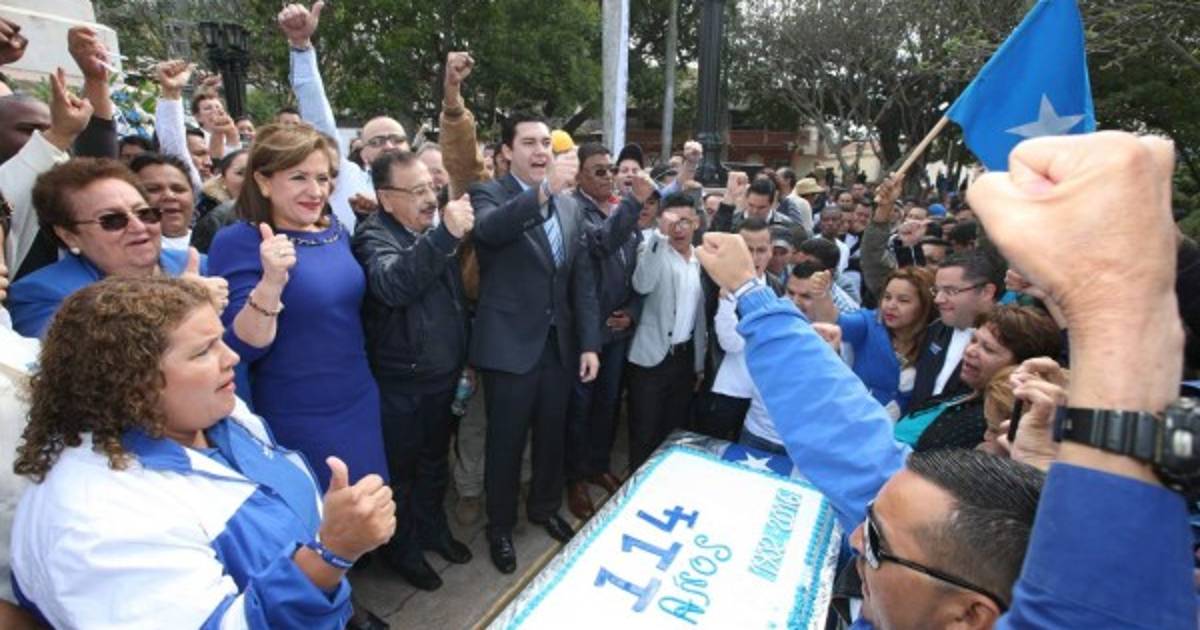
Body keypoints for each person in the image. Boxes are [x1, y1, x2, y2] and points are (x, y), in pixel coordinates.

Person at [695, 131, 1192, 629]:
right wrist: (750, 292)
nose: (855, 539)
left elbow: (1094, 610)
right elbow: (851, 441)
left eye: (878, 545)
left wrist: (1115, 306)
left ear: (969, 617)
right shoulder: (923, 524)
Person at [9, 276, 395, 628]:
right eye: (202, 352)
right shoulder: (98, 520)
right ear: (132, 381)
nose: (231, 358)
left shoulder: (210, 411)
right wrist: (330, 555)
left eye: (221, 340)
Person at [208, 123, 389, 494]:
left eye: (323, 178)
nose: (316, 191)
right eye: (298, 177)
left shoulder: (335, 230)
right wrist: (271, 282)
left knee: (370, 509)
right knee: (320, 517)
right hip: (296, 415)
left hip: (359, 401)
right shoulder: (238, 241)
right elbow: (243, 346)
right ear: (263, 181)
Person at [468, 111, 600, 574]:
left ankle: (544, 508)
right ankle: (500, 528)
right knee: (505, 443)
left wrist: (590, 343)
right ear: (507, 151)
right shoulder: (488, 194)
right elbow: (490, 231)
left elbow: (580, 280)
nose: (541, 150)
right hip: (508, 346)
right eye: (529, 142)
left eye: (546, 142)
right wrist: (543, 192)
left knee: (551, 436)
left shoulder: (571, 206)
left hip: (559, 345)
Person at [352, 151, 473, 590]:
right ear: (386, 199)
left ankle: (433, 529)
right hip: (401, 383)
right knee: (401, 472)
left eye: (431, 188)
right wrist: (444, 237)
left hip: (442, 377)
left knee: (434, 462)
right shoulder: (373, 237)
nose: (429, 198)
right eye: (417, 190)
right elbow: (394, 285)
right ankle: (403, 550)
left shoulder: (432, 231)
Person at [8, 158, 226, 338]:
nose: (139, 227)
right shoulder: (43, 294)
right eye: (113, 220)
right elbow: (79, 365)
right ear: (69, 236)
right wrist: (180, 303)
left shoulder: (203, 266)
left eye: (145, 213)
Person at [565, 142, 652, 520]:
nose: (608, 177)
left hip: (618, 333)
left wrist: (632, 312)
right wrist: (634, 202)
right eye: (599, 170)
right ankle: (573, 477)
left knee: (607, 404)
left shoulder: (619, 209)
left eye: (611, 169)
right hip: (586, 336)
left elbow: (638, 273)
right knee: (579, 409)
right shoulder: (573, 210)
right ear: (579, 175)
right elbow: (601, 244)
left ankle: (597, 465)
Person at [280, 1, 401, 231]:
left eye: (397, 139)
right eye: (377, 141)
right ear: (363, 153)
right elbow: (317, 116)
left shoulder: (429, 191)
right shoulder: (346, 177)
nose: (389, 146)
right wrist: (301, 47)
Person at [627, 193, 707, 470]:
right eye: (672, 221)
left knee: (673, 429)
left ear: (696, 222)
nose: (679, 228)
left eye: (685, 221)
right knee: (644, 430)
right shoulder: (651, 248)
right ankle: (637, 481)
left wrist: (698, 364)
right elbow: (642, 285)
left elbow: (700, 316)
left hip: (684, 358)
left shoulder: (701, 259)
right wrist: (659, 237)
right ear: (661, 221)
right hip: (651, 357)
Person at [810, 266, 934, 419]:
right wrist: (821, 296)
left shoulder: (937, 338)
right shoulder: (870, 323)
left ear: (924, 305)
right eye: (887, 297)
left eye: (903, 300)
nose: (891, 305)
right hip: (855, 419)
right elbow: (835, 322)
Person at [909, 251, 1004, 410]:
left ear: (986, 292)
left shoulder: (1008, 342)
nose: (938, 299)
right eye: (936, 290)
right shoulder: (934, 330)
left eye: (950, 291)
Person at [128, 153, 198, 252]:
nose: (169, 196)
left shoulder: (214, 241)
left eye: (178, 189)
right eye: (153, 189)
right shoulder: (122, 252)